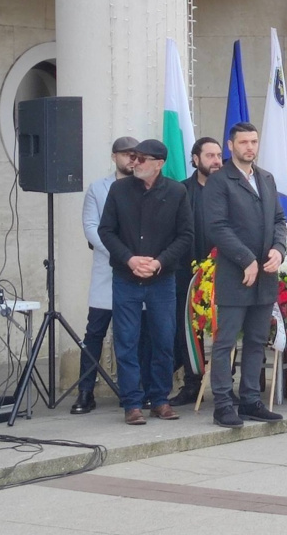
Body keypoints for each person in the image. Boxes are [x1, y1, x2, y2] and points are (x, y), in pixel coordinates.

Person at [98, 139, 193, 425]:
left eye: (141, 159)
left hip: (161, 279)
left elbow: (186, 235)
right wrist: (129, 259)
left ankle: (160, 399)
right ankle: (132, 403)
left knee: (164, 339)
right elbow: (106, 231)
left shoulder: (177, 192)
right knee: (127, 340)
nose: (135, 163)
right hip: (126, 278)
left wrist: (159, 261)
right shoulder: (119, 189)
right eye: (133, 157)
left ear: (159, 163)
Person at [203, 123, 287, 428]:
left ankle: (251, 399)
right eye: (243, 142)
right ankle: (224, 404)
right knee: (226, 342)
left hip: (265, 274)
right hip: (235, 275)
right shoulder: (220, 181)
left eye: (253, 141)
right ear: (230, 145)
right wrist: (246, 259)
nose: (249, 147)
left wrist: (279, 249)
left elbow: (279, 219)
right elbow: (217, 227)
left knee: (255, 340)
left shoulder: (265, 177)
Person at [73, 136, 139, 415]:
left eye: (135, 155)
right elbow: (91, 227)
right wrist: (121, 253)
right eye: (126, 155)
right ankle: (85, 391)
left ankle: (132, 392)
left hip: (138, 272)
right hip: (107, 269)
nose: (132, 160)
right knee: (95, 333)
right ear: (114, 157)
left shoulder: (143, 186)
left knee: (134, 335)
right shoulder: (98, 189)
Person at [169, 137, 223, 407]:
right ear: (195, 159)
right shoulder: (180, 191)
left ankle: (226, 385)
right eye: (210, 156)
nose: (216, 161)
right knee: (188, 330)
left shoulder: (230, 189)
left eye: (218, 155)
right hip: (186, 272)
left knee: (226, 329)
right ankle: (192, 385)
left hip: (224, 271)